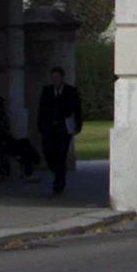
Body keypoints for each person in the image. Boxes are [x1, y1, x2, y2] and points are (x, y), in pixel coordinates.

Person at [36, 66, 84, 196]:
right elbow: (41, 109)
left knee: (61, 155)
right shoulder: (46, 91)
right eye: (53, 77)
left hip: (63, 127)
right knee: (48, 152)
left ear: (62, 78)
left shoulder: (71, 91)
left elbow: (77, 110)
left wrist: (78, 126)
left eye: (57, 77)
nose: (55, 80)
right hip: (49, 128)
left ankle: (59, 182)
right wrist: (40, 126)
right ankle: (58, 173)